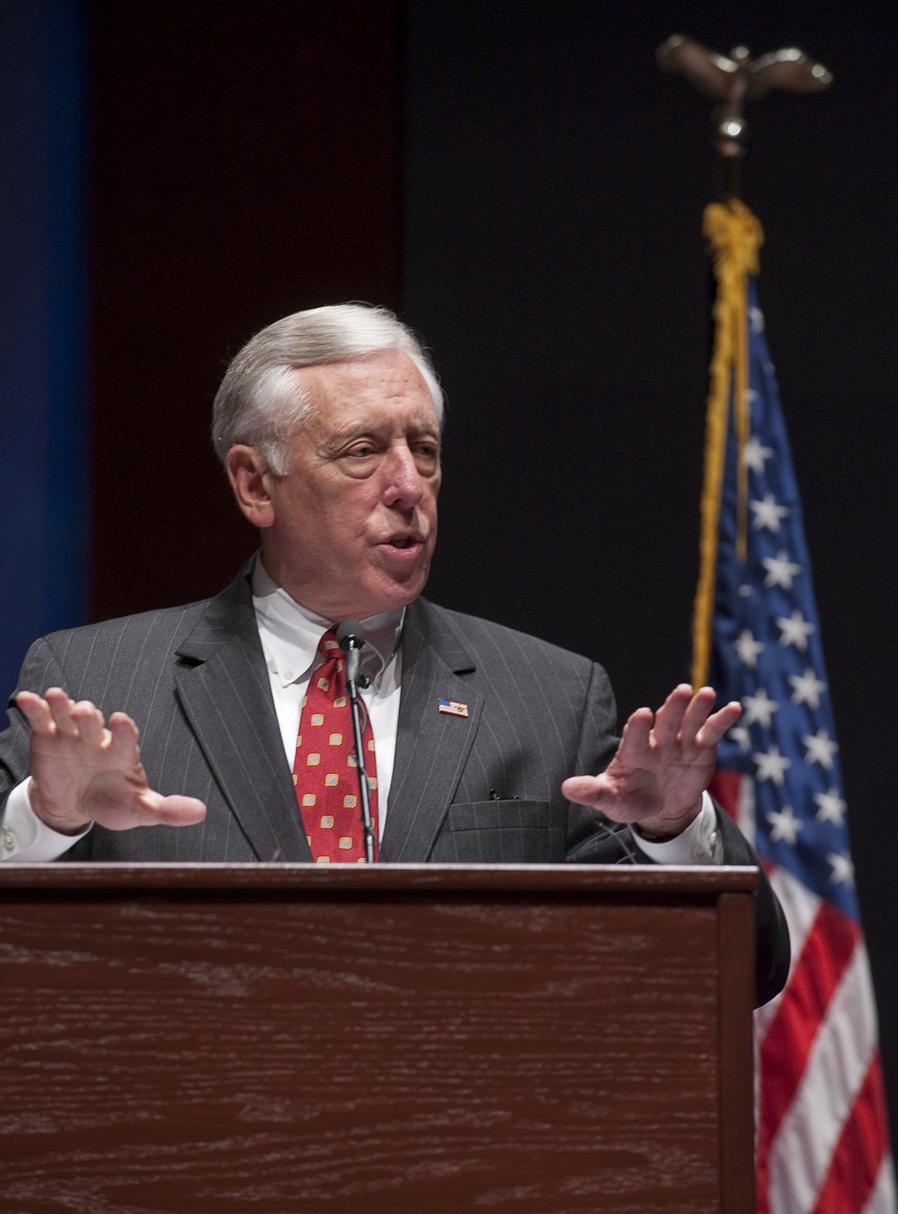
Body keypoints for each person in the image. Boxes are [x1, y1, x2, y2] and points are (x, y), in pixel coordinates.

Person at [0, 304, 788, 1003]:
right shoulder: (95, 686)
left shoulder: (551, 699)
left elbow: (744, 974)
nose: (410, 484)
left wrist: (675, 833)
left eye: (425, 449)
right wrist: (50, 824)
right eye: (361, 451)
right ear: (254, 486)